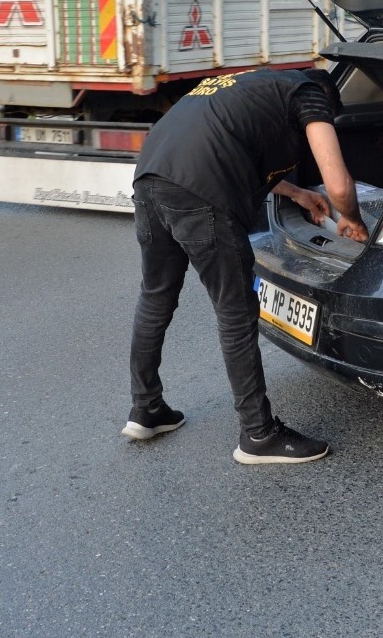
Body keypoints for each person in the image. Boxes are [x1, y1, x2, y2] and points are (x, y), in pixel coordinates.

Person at [125, 66, 368, 464]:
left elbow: (231, 144)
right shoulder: (310, 92)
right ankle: (259, 433)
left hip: (151, 179)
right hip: (201, 191)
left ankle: (146, 409)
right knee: (236, 310)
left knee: (156, 296)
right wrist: (353, 219)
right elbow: (339, 184)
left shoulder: (255, 85)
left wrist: (297, 193)